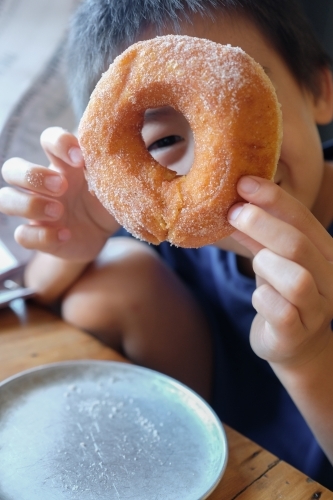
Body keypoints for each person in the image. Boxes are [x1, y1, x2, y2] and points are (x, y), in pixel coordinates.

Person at [1, 0, 333, 489]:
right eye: (163, 140)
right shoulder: (172, 220)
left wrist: (306, 354)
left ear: (320, 91)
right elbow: (42, 300)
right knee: (106, 284)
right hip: (210, 441)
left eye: (248, 102)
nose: (215, 164)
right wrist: (79, 237)